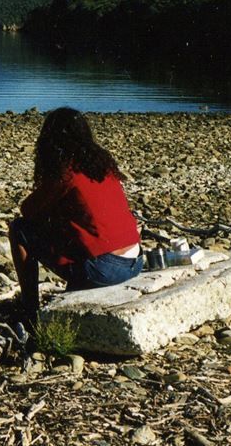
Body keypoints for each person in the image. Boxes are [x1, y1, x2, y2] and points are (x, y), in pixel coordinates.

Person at [9, 107, 142, 312]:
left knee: (19, 229)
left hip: (105, 269)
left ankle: (30, 308)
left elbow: (28, 209)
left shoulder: (66, 173)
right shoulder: (103, 166)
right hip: (135, 260)